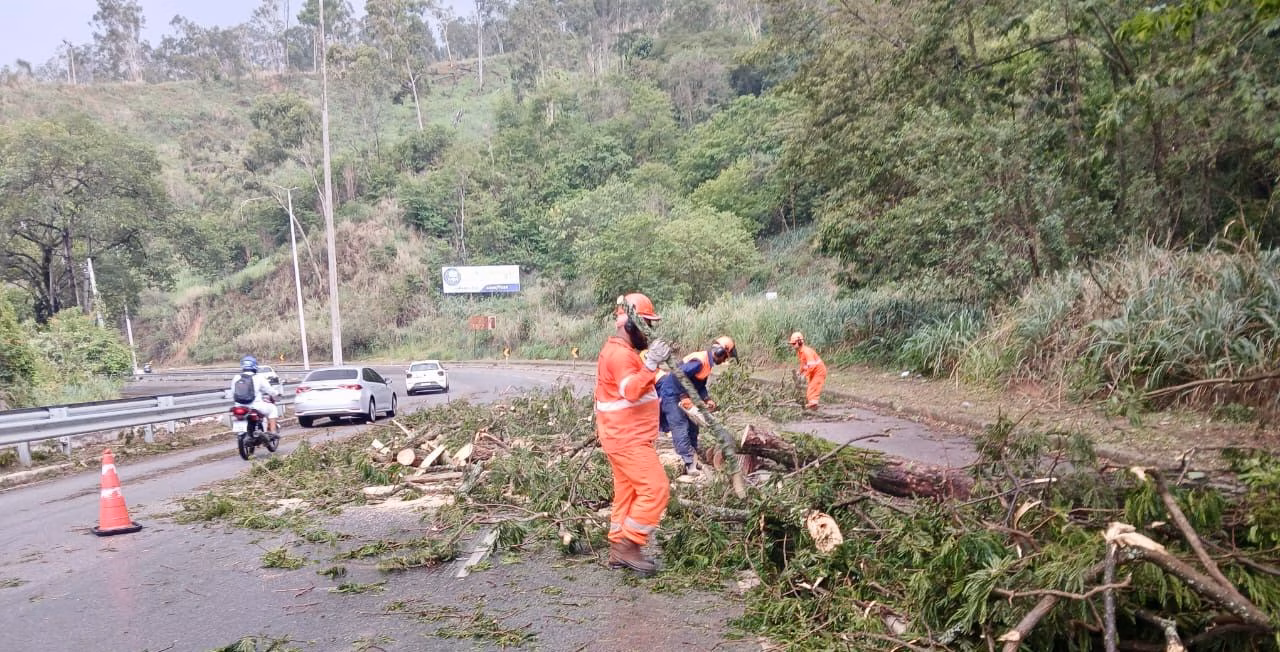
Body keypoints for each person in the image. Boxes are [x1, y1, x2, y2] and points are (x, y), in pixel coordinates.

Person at [596, 293, 671, 576]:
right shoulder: (619, 355)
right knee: (656, 489)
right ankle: (630, 544)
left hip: (621, 437)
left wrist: (651, 366)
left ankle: (618, 548)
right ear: (630, 324)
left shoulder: (622, 352)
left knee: (627, 493)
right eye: (646, 325)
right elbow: (630, 390)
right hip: (627, 438)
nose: (648, 332)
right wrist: (650, 364)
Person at [658, 335, 736, 477]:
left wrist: (706, 399)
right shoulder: (699, 362)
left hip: (682, 394)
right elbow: (678, 375)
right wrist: (683, 396)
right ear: (719, 352)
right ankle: (687, 462)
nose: (724, 360)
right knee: (680, 426)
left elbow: (699, 385)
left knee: (693, 426)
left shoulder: (707, 363)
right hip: (671, 393)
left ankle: (693, 458)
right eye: (725, 357)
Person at [230, 355, 282, 434]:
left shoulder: (236, 377)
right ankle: (273, 432)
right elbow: (269, 390)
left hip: (239, 406)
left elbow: (233, 392)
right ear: (254, 366)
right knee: (273, 409)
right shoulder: (258, 377)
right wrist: (277, 395)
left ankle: (243, 433)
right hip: (255, 406)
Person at [789, 331, 827, 410]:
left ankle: (813, 405)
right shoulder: (800, 352)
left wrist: (804, 375)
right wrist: (800, 372)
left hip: (818, 372)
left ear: (799, 342)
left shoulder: (806, 352)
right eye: (792, 344)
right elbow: (803, 365)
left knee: (812, 389)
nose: (792, 346)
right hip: (813, 372)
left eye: (793, 344)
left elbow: (812, 365)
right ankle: (813, 405)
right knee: (810, 389)